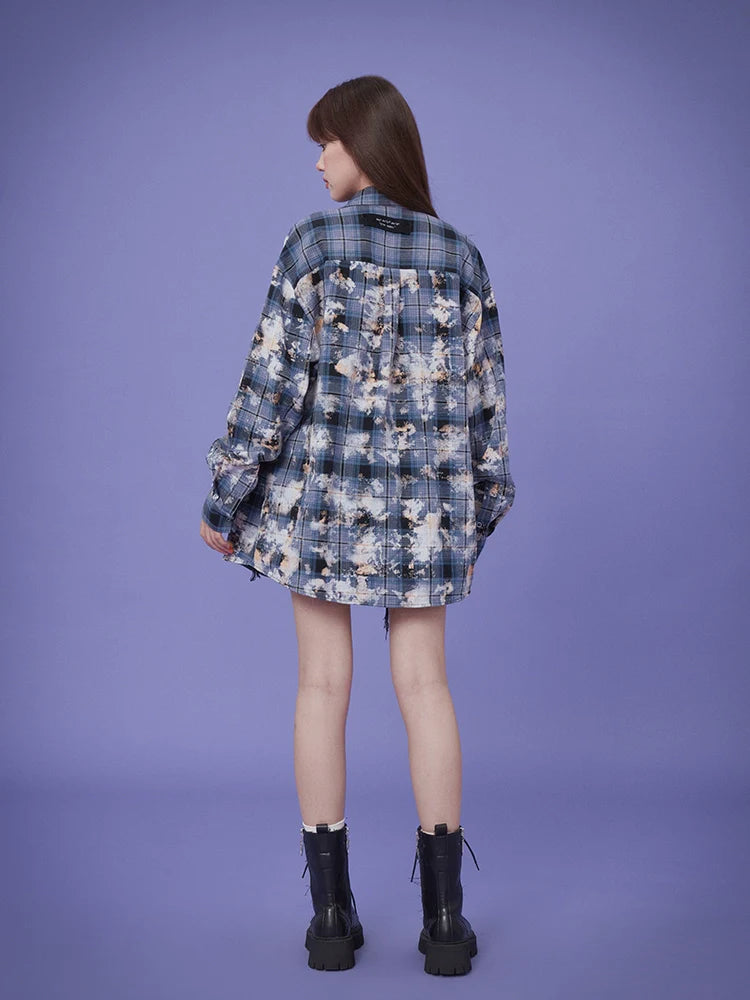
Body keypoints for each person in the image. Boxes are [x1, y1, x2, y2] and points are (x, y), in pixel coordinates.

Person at [199, 74, 516, 975]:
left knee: (321, 686)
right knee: (427, 687)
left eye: (327, 142)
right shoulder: (461, 257)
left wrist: (226, 499)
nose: (318, 160)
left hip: (322, 514)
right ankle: (446, 926)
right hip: (427, 518)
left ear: (365, 146)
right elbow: (488, 418)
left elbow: (269, 392)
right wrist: (472, 517)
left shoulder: (312, 245)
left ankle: (331, 921)